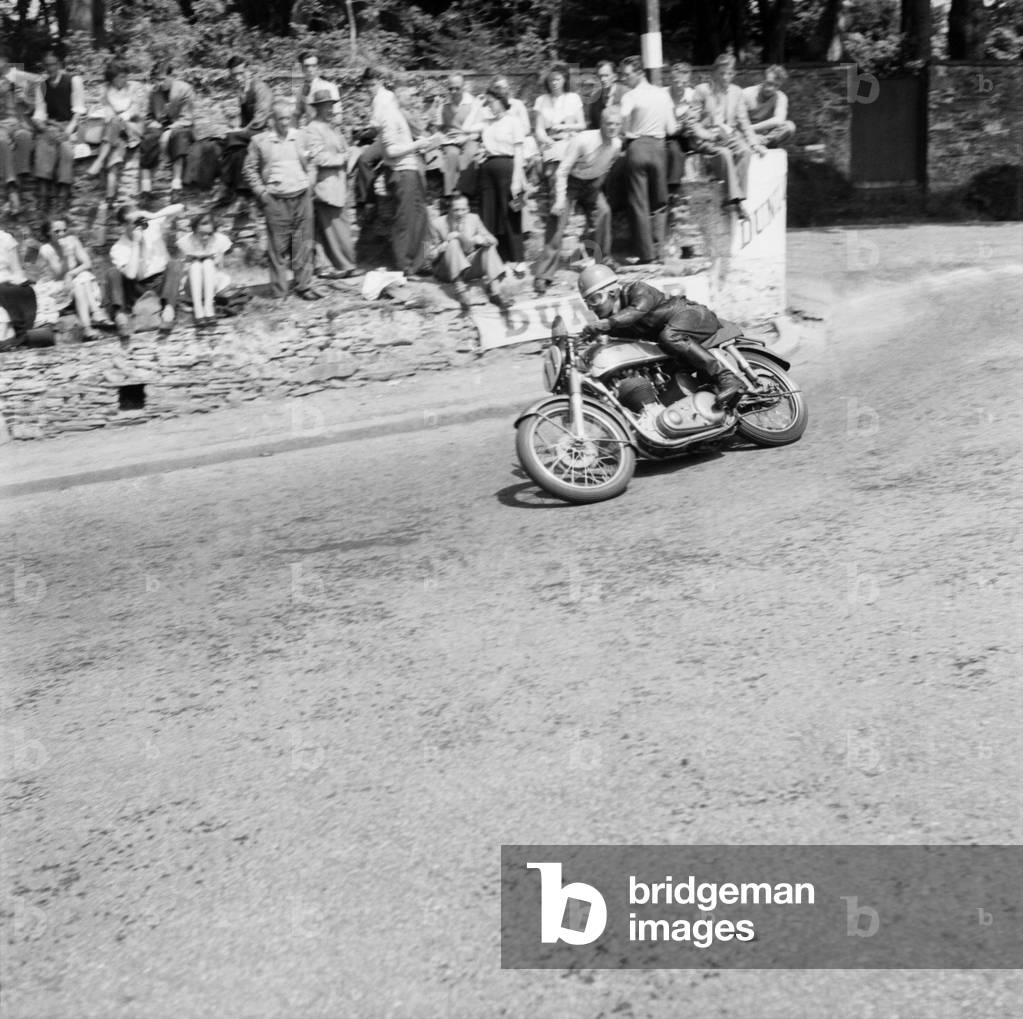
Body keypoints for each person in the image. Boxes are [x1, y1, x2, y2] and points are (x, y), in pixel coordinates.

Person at [577, 262, 745, 408]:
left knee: (670, 337)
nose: (591, 307)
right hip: (671, 343)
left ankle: (726, 377)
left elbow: (637, 310)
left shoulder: (636, 290)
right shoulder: (614, 325)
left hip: (691, 315)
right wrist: (584, 339)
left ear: (612, 292)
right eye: (587, 303)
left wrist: (607, 323)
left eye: (595, 299)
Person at [532, 106, 622, 295]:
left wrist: (596, 184)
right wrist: (559, 200)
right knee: (558, 218)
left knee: (604, 211)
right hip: (570, 180)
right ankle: (543, 274)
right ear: (601, 124)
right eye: (609, 124)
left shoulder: (616, 145)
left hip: (591, 183)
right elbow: (562, 171)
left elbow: (607, 166)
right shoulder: (583, 140)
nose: (612, 128)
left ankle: (603, 260)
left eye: (616, 124)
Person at [243, 98, 322, 300]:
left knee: (302, 243)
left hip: (301, 197)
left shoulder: (301, 137)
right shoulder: (260, 141)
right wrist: (262, 193)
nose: (285, 123)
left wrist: (310, 183)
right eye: (281, 119)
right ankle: (280, 291)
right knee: (277, 248)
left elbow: (312, 162)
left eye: (288, 118)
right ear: (272, 119)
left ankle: (303, 286)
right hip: (276, 200)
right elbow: (249, 169)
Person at [689, 53, 767, 220]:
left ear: (734, 74)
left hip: (729, 136)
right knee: (724, 154)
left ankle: (732, 198)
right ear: (714, 73)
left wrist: (754, 144)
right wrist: (709, 135)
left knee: (745, 151)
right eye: (722, 73)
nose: (725, 77)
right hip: (707, 137)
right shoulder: (702, 90)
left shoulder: (736, 92)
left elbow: (744, 121)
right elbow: (692, 122)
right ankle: (736, 202)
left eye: (729, 73)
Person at [378, 84, 443, 276]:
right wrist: (417, 145)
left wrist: (425, 145)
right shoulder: (389, 116)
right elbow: (391, 150)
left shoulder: (400, 114)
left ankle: (421, 261)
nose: (414, 100)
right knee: (405, 220)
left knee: (421, 218)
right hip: (402, 172)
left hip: (411, 170)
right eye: (410, 96)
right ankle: (404, 264)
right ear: (400, 96)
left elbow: (404, 145)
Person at [619, 55, 677, 264]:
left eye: (627, 75)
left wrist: (628, 133)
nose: (624, 79)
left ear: (639, 73)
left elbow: (620, 122)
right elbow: (672, 128)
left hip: (637, 148)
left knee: (639, 203)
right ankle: (659, 250)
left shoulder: (629, 96)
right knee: (660, 201)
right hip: (659, 149)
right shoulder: (662, 94)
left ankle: (646, 255)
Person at [104, 201, 185, 339]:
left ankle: (168, 311)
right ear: (124, 225)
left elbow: (180, 208)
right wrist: (135, 243)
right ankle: (120, 316)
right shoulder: (118, 248)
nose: (139, 225)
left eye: (139, 220)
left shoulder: (152, 227)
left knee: (175, 264)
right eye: (134, 223)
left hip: (160, 283)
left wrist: (153, 216)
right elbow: (130, 275)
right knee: (112, 272)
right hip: (136, 287)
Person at [303, 88, 358, 279]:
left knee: (337, 226)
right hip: (325, 184)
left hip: (338, 183)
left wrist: (349, 153)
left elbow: (341, 148)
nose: (329, 109)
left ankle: (338, 265)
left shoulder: (332, 127)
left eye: (331, 106)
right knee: (334, 227)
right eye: (325, 106)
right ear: (317, 108)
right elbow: (317, 157)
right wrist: (342, 158)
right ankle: (341, 265)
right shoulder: (312, 128)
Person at [428, 193, 512, 311]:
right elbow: (429, 255)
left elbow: (494, 241)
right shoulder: (437, 223)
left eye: (463, 209)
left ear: (468, 209)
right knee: (454, 243)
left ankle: (495, 292)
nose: (460, 213)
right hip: (446, 270)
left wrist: (482, 240)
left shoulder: (474, 219)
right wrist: (445, 244)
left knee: (489, 248)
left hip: (468, 266)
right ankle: (461, 291)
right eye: (456, 210)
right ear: (449, 209)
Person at [476, 88, 528, 274]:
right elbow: (466, 128)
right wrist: (477, 105)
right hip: (487, 170)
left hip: (509, 168)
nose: (488, 106)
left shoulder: (514, 121)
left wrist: (517, 180)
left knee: (513, 212)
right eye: (487, 103)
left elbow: (519, 152)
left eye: (491, 102)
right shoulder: (486, 123)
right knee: (488, 214)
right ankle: (494, 259)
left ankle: (519, 258)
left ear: (500, 100)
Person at [32, 50, 85, 216]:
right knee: (43, 143)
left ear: (59, 64)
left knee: (65, 149)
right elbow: (40, 112)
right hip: (51, 124)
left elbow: (79, 110)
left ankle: (63, 195)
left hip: (70, 125)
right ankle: (43, 194)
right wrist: (42, 126)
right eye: (47, 65)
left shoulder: (73, 81)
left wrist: (68, 130)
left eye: (53, 64)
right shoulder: (42, 86)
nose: (50, 68)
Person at [37, 217, 108, 339]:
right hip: (56, 285)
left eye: (64, 230)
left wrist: (70, 274)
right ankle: (95, 313)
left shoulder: (73, 240)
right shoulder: (46, 249)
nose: (62, 234)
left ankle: (87, 328)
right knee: (82, 279)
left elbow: (87, 263)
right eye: (57, 231)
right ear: (48, 233)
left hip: (75, 281)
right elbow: (59, 274)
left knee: (82, 278)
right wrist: (65, 255)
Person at [218, 55, 273, 206]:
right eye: (234, 75)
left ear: (248, 71)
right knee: (237, 151)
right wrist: (236, 127)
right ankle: (240, 194)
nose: (238, 78)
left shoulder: (260, 88)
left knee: (231, 138)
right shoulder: (242, 90)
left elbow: (260, 118)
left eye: (241, 73)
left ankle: (225, 183)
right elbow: (244, 118)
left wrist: (241, 130)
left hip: (264, 132)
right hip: (251, 133)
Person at [87, 62, 143, 203]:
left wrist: (122, 117)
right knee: (116, 148)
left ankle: (99, 161)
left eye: (125, 76)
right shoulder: (105, 89)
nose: (125, 79)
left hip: (131, 127)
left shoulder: (133, 87)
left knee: (114, 124)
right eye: (121, 77)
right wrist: (111, 117)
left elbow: (136, 109)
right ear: (112, 78)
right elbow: (104, 109)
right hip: (112, 131)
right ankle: (110, 196)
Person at [139, 63, 195, 201]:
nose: (159, 83)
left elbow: (187, 118)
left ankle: (176, 187)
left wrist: (169, 131)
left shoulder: (185, 89)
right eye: (157, 80)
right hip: (159, 127)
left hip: (181, 127)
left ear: (171, 76)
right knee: (148, 139)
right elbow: (148, 116)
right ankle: (146, 189)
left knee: (178, 138)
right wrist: (153, 123)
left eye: (162, 79)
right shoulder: (153, 92)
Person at [353, 67, 397, 221]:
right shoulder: (387, 95)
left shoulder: (380, 98)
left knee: (364, 160)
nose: (369, 88)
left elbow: (375, 129)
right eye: (367, 86)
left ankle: (368, 202)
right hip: (386, 135)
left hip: (388, 138)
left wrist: (360, 134)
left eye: (372, 85)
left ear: (380, 82)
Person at [176, 211, 232, 327]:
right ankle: (198, 310)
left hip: (213, 282)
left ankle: (208, 307)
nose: (205, 237)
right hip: (192, 284)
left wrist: (213, 258)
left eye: (209, 234)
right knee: (196, 265)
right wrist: (190, 260)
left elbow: (220, 266)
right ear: (195, 230)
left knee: (207, 263)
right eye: (201, 234)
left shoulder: (219, 240)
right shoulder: (186, 242)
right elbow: (182, 269)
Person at [0, 45, 37, 215]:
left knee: (24, 137)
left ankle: (21, 180)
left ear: (6, 60)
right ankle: (13, 189)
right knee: (1, 140)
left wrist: (26, 100)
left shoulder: (19, 78)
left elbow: (36, 105)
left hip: (18, 123)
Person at [432, 74, 478, 198]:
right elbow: (438, 127)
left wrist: (466, 137)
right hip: (450, 139)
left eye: (457, 88)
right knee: (452, 154)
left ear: (463, 87)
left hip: (469, 137)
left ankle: (465, 192)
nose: (453, 91)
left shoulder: (473, 103)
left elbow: (479, 127)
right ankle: (451, 194)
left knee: (470, 152)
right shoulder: (444, 104)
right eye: (450, 88)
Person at [743, 65, 796, 148]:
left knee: (789, 126)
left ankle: (760, 143)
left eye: (776, 86)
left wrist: (751, 128)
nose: (771, 88)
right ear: (763, 80)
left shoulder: (780, 97)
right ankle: (755, 143)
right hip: (745, 133)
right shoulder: (747, 93)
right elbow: (737, 122)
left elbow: (779, 120)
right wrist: (749, 132)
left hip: (763, 134)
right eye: (769, 83)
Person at [666, 62, 694, 195]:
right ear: (670, 79)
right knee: (673, 148)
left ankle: (674, 190)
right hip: (667, 134)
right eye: (676, 81)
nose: (680, 86)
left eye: (684, 83)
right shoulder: (662, 95)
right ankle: (673, 189)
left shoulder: (692, 95)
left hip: (687, 135)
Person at [294, 52, 337, 126]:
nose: (310, 69)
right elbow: (297, 113)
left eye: (314, 66)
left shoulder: (330, 87)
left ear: (318, 67)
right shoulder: (301, 90)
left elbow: (337, 117)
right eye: (307, 66)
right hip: (310, 130)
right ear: (301, 68)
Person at [586, 60, 627, 130]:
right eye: (600, 76)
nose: (602, 79)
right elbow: (593, 124)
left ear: (615, 77)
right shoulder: (595, 97)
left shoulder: (626, 94)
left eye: (606, 75)